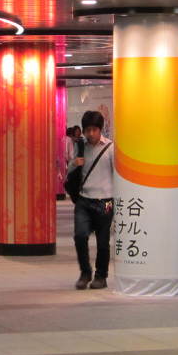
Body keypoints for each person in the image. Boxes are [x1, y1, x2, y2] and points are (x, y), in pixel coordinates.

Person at [73, 110, 114, 290]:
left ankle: (101, 276)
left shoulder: (110, 148)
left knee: (103, 242)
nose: (90, 134)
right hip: (84, 200)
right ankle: (85, 273)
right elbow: (70, 172)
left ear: (100, 129)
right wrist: (74, 164)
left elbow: (117, 174)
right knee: (80, 236)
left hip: (105, 201)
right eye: (87, 130)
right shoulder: (80, 147)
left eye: (94, 130)